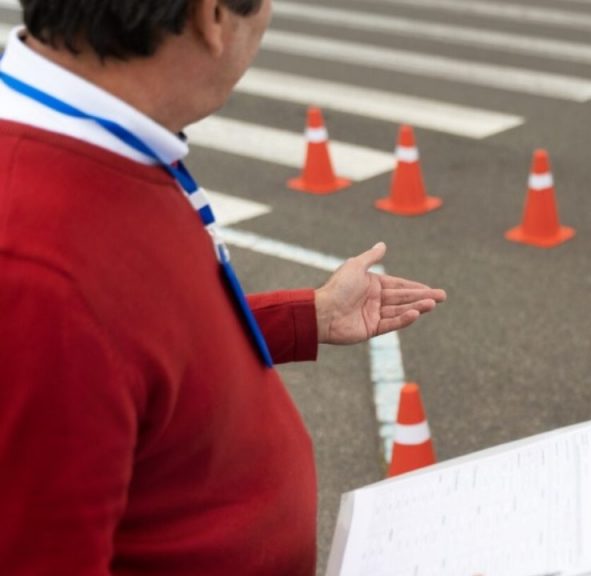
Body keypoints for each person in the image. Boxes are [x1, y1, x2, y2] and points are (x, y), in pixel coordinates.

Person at [0, 0, 446, 574]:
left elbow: (136, 346)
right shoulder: (37, 266)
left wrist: (307, 315)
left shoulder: (102, 141)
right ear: (212, 17)